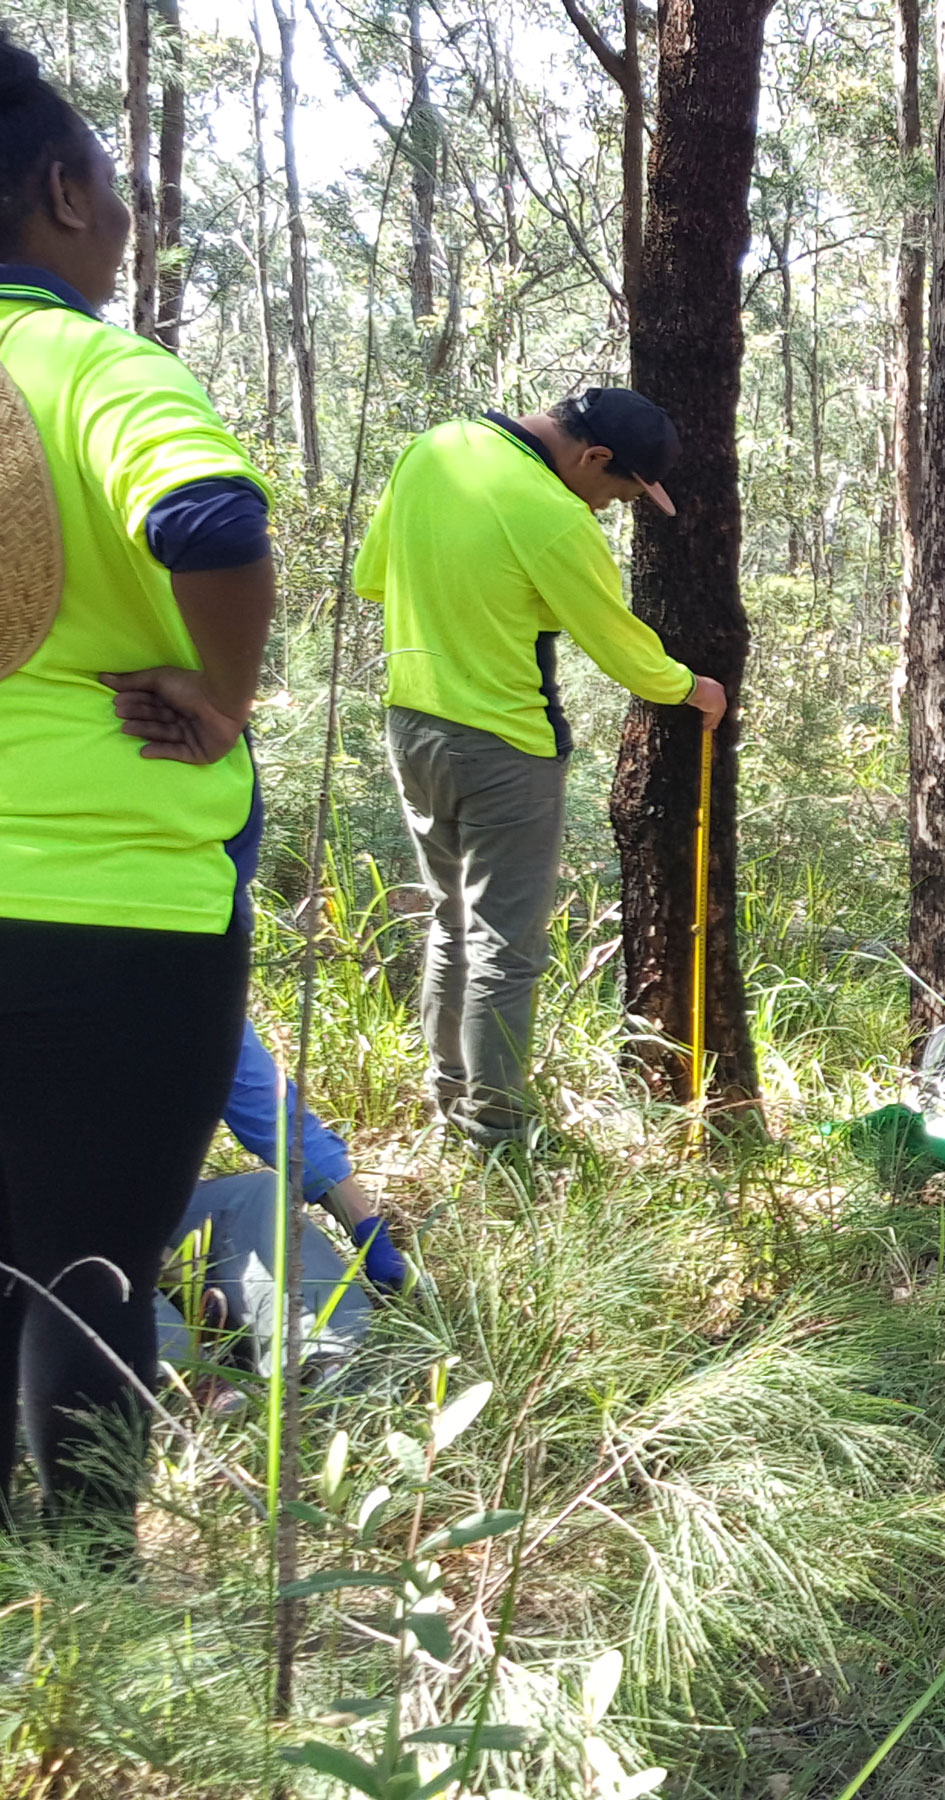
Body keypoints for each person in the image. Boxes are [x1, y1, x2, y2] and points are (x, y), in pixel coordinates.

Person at [0, 36, 276, 1542]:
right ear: (61, 190)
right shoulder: (87, 361)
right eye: (111, 189)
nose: (121, 220)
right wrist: (223, 700)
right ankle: (89, 1622)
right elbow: (211, 518)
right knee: (89, 1268)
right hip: (117, 907)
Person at [354, 388, 727, 1152]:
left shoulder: (436, 448)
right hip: (502, 742)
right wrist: (694, 688)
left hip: (411, 724)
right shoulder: (555, 516)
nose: (612, 506)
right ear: (594, 457)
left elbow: (372, 576)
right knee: (505, 943)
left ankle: (452, 1102)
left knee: (452, 922)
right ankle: (497, 1133)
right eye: (621, 492)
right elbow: (620, 647)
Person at [155, 1023, 408, 1392]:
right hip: (72, 1234)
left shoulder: (196, 1006)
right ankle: (179, 1388)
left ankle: (331, 1364)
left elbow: (277, 1119)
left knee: (259, 1196)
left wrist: (368, 1231)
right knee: (90, 1270)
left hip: (156, 1207)